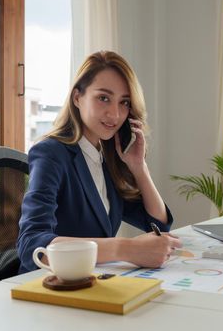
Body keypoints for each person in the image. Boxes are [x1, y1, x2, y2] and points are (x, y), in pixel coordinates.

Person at [17, 51, 182, 273]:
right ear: (77, 98)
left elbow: (158, 225)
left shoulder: (105, 159)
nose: (115, 114)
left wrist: (139, 167)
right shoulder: (51, 154)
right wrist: (124, 248)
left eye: (124, 102)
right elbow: (31, 244)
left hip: (92, 282)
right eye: (103, 98)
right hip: (51, 285)